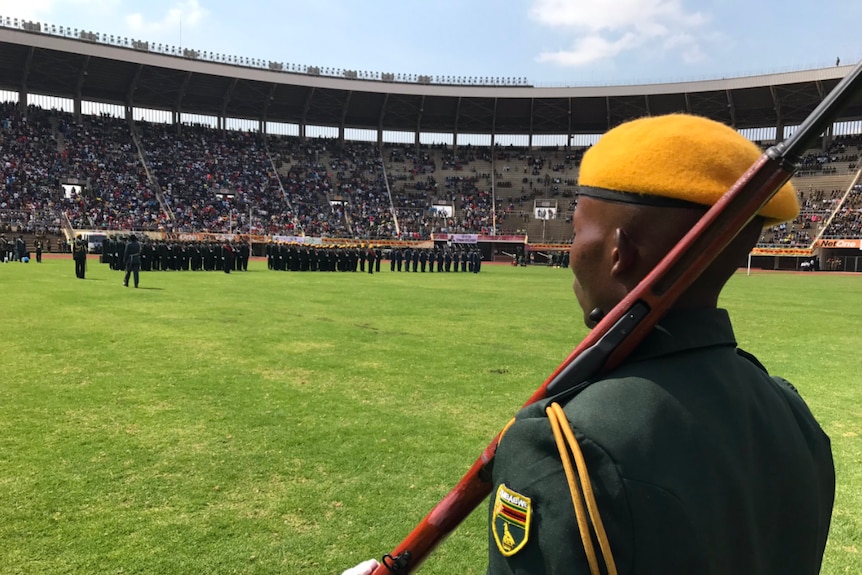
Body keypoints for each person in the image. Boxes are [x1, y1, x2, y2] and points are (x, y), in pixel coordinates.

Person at [342, 114, 834, 575]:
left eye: (576, 230)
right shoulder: (792, 413)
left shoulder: (569, 447)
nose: (572, 249)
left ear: (619, 253)